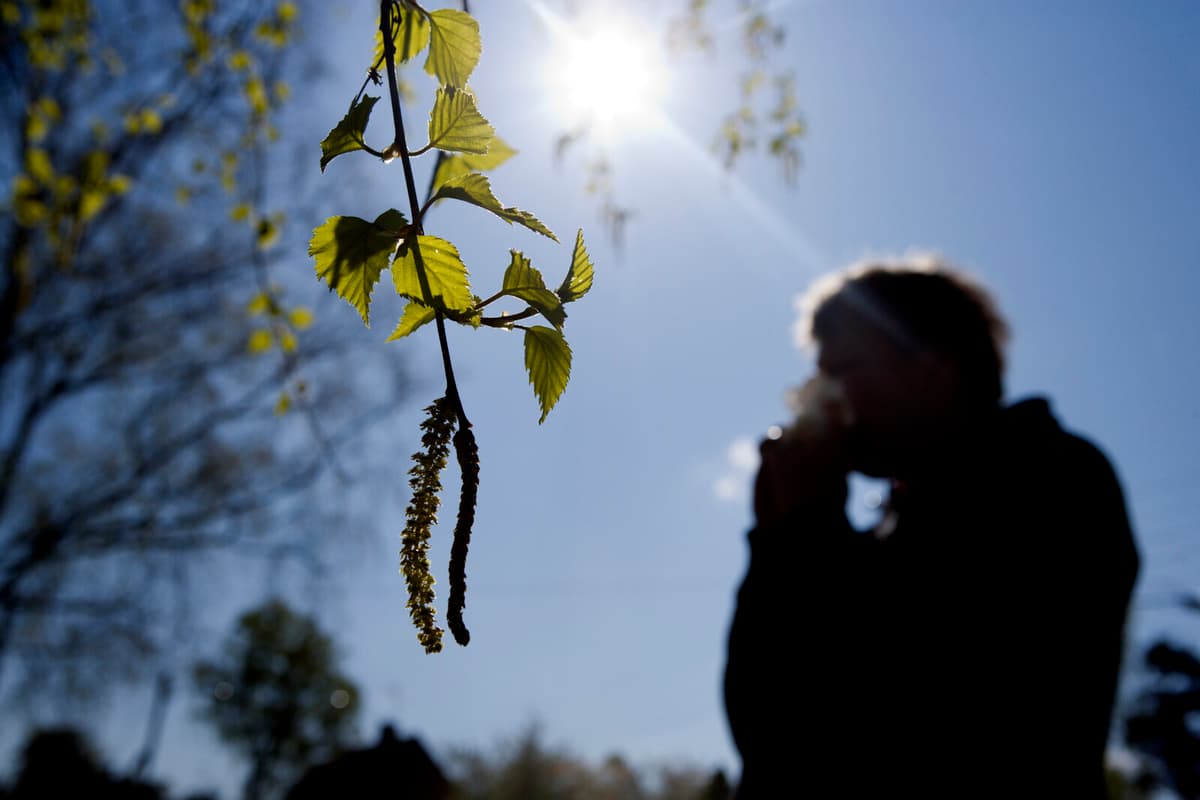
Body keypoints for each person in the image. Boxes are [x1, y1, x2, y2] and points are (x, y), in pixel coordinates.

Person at [723, 257, 1140, 798]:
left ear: (934, 364)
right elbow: (766, 733)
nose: (821, 395)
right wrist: (775, 540)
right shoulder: (869, 537)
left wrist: (806, 531)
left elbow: (904, 718)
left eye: (843, 368)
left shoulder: (1055, 478)